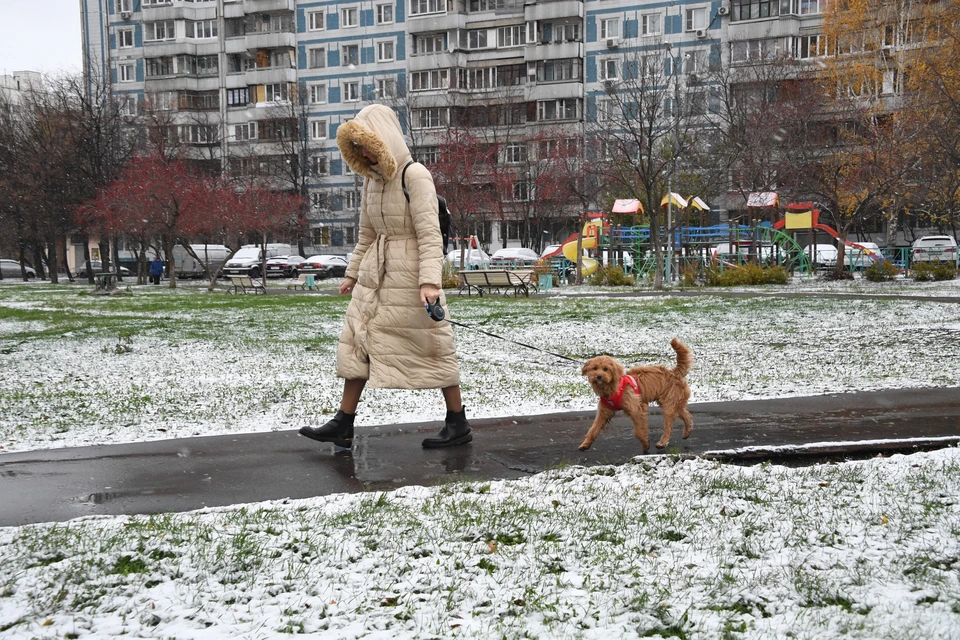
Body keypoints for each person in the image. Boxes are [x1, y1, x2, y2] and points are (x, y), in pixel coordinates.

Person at [298, 104, 471, 450]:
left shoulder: (415, 175)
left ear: (383, 139)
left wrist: (429, 282)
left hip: (409, 278)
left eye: (367, 144)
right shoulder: (371, 183)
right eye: (357, 146)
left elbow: (429, 234)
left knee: (433, 346)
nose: (363, 153)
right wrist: (352, 273)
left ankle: (457, 422)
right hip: (374, 278)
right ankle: (343, 423)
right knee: (357, 343)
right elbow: (366, 235)